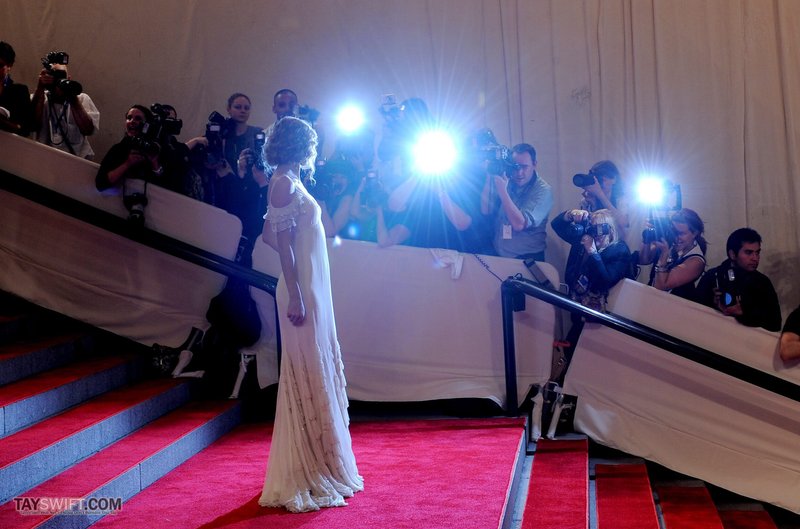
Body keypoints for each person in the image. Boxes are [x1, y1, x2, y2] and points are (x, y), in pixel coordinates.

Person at [258, 116, 363, 513]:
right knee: (306, 369)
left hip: (311, 286)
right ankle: (307, 469)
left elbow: (270, 234)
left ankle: (323, 462)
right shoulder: (283, 183)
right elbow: (281, 244)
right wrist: (296, 292)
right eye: (311, 142)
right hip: (301, 290)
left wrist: (305, 261)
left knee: (316, 367)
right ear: (301, 145)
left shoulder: (291, 181)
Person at [208, 93, 268, 265]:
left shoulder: (257, 133)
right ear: (229, 109)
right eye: (238, 107)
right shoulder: (222, 134)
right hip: (224, 190)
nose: (242, 111)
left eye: (246, 108)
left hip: (250, 192)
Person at [694, 228, 781, 331]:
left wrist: (743, 312)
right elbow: (694, 314)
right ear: (732, 254)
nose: (755, 258)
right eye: (748, 252)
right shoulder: (713, 277)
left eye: (757, 253)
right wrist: (713, 305)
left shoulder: (762, 282)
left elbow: (775, 323)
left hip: (747, 339)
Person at [481, 143, 553, 261]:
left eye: (524, 167)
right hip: (500, 254)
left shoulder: (543, 190)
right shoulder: (508, 181)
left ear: (535, 164)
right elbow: (485, 210)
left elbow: (519, 224)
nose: (519, 172)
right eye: (515, 167)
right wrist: (490, 175)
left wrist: (502, 191)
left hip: (527, 258)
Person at [31, 54, 100, 159]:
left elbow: (88, 130)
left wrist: (72, 97)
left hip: (75, 160)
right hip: (44, 157)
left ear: (69, 78)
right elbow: (32, 125)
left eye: (61, 76)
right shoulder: (40, 98)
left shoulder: (82, 99)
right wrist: (40, 88)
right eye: (54, 76)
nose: (58, 80)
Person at [638, 208, 707, 300]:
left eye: (681, 233)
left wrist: (664, 254)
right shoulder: (669, 241)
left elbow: (660, 286)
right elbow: (644, 260)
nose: (677, 238)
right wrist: (647, 237)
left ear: (695, 233)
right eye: (674, 232)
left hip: (673, 305)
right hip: (651, 299)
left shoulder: (696, 261)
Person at [571, 160, 629, 240]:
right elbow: (584, 231)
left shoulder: (621, 200)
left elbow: (623, 224)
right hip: (594, 243)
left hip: (617, 244)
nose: (600, 184)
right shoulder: (586, 201)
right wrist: (593, 205)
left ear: (614, 180)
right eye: (598, 181)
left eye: (603, 180)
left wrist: (600, 194)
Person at [0, 41, 33, 136]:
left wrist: (3, 122)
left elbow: (25, 129)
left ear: (9, 65)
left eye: (0, 65)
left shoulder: (19, 92)